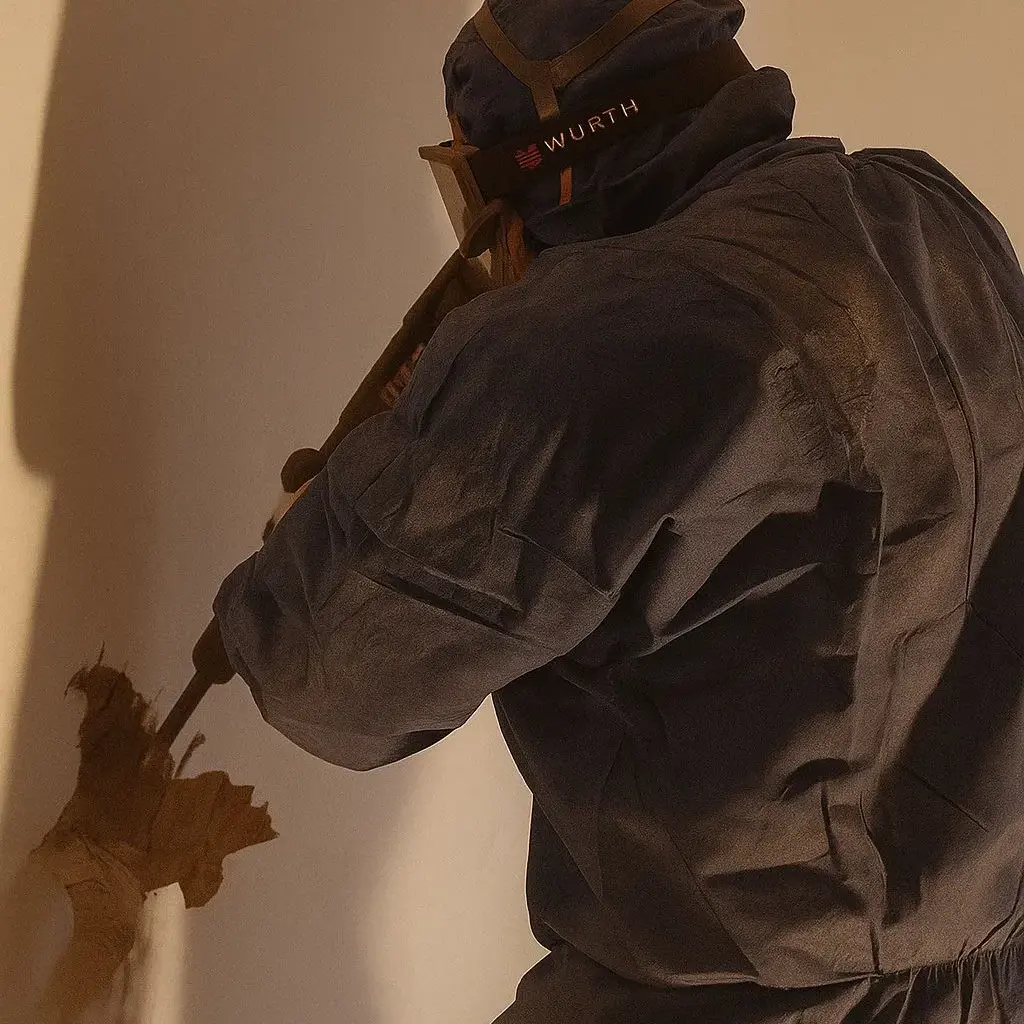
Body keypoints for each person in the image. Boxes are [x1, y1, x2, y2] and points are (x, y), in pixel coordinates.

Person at [212, 1, 1024, 1020]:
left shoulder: (585, 336)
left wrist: (322, 517)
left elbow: (326, 678)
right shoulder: (926, 214)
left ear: (550, 165)